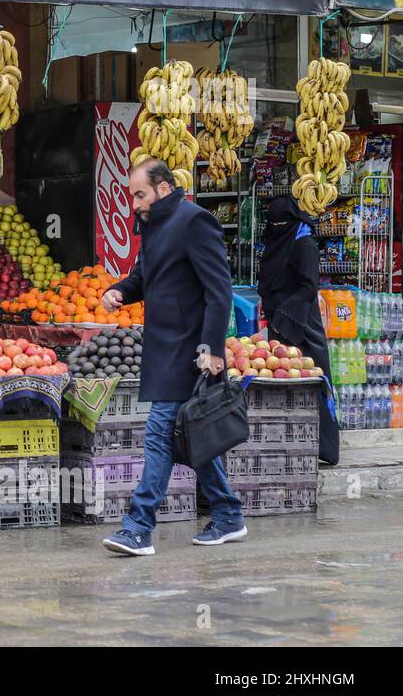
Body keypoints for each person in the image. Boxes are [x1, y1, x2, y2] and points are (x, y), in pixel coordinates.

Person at [99, 159, 245, 556]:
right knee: (192, 434)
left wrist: (212, 350)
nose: (134, 204)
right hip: (164, 348)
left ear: (163, 188)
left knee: (160, 435)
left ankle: (138, 527)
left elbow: (220, 290)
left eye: (139, 194)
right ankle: (229, 513)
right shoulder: (154, 226)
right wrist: (118, 292)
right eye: (132, 196)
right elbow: (143, 278)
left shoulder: (195, 221)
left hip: (191, 351)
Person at [258, 197, 339, 464]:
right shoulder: (274, 243)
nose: (276, 227)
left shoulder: (304, 245)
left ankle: (325, 448)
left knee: (314, 381)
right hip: (279, 326)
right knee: (284, 386)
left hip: (302, 322)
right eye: (273, 223)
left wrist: (285, 313)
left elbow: (308, 287)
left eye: (281, 223)